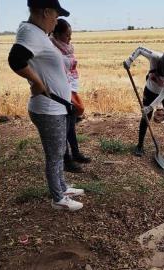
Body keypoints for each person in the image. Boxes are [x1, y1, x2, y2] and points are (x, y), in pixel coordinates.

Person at [8, 0, 84, 211]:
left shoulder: (35, 32)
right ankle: (58, 198)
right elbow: (16, 60)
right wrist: (37, 82)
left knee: (58, 151)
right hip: (48, 109)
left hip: (54, 107)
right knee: (54, 154)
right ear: (45, 12)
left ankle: (62, 187)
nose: (57, 21)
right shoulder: (31, 33)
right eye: (55, 16)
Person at [50, 18, 91, 173]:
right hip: (59, 93)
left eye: (70, 35)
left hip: (70, 89)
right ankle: (66, 160)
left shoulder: (66, 47)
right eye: (67, 35)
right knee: (64, 128)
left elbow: (70, 69)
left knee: (71, 124)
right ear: (57, 34)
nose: (70, 38)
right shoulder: (52, 49)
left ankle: (76, 153)